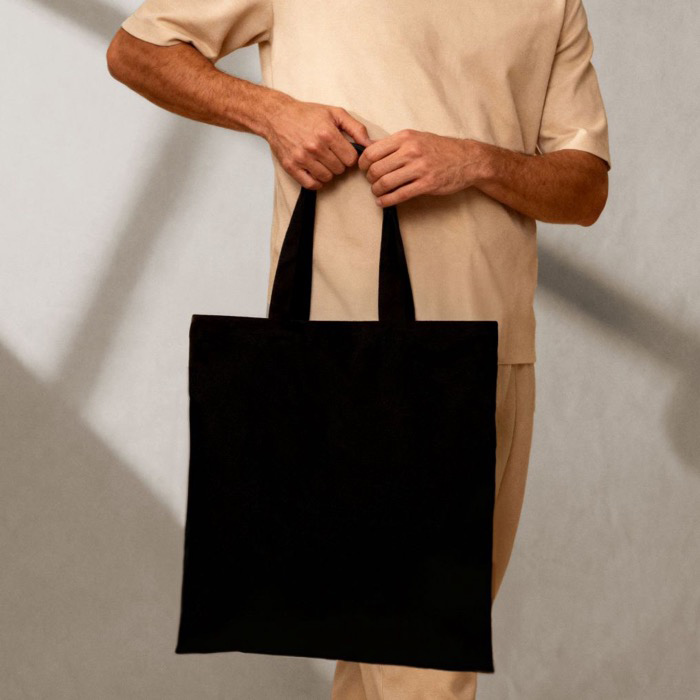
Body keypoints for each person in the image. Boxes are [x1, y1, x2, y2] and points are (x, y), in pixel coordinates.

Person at [107, 1, 611, 697]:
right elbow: (138, 50)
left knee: (379, 665)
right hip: (343, 362)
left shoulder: (552, 3)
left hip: (494, 358)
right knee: (421, 672)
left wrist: (475, 160)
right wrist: (274, 114)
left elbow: (585, 187)